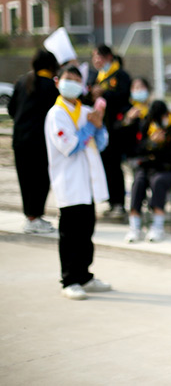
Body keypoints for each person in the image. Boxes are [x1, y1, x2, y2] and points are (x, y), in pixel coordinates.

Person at [45, 65, 112, 300]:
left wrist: (100, 126)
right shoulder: (57, 114)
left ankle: (85, 275)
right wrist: (91, 126)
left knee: (86, 231)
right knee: (70, 233)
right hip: (69, 182)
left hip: (88, 182)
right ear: (57, 82)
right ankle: (69, 279)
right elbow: (71, 146)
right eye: (67, 79)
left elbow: (101, 143)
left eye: (76, 80)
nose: (72, 83)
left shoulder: (85, 111)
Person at [9, 49, 60, 233]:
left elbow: (11, 109)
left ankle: (31, 217)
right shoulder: (51, 87)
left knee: (26, 179)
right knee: (40, 179)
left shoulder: (23, 81)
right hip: (39, 142)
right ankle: (34, 218)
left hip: (20, 139)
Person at [125, 101, 171, 243]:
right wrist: (151, 143)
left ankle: (157, 226)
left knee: (158, 182)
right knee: (138, 182)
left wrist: (163, 144)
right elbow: (137, 150)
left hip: (169, 168)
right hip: (148, 167)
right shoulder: (146, 126)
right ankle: (135, 226)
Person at [88, 44, 131, 219]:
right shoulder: (99, 77)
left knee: (115, 166)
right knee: (105, 165)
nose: (95, 60)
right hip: (101, 128)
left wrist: (104, 93)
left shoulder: (120, 75)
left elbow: (123, 97)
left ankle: (119, 203)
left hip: (116, 129)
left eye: (97, 56)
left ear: (108, 57)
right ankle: (111, 202)